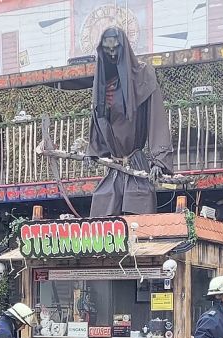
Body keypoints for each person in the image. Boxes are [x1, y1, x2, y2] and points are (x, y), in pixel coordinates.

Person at [85, 27, 173, 216]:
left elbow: (157, 119)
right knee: (102, 207)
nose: (112, 53)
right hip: (114, 168)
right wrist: (93, 151)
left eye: (116, 48)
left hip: (136, 163)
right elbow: (97, 117)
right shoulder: (100, 83)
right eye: (107, 49)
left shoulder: (143, 75)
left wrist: (159, 161)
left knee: (139, 209)